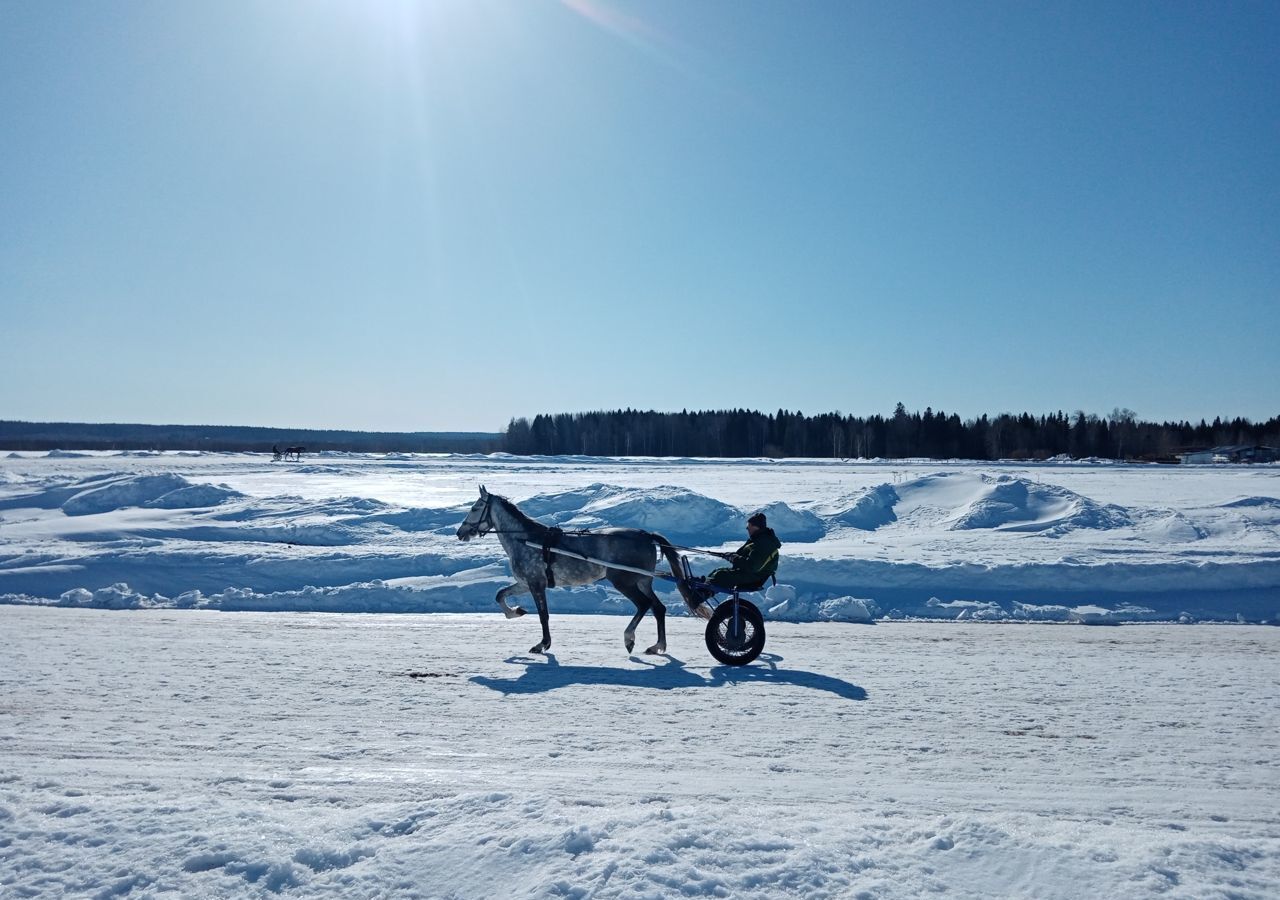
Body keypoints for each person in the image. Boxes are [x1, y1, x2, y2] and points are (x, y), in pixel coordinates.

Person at [694, 512, 781, 600]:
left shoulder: (764, 544)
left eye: (749, 526)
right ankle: (703, 589)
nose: (747, 528)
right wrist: (731, 556)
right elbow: (745, 556)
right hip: (752, 575)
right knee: (718, 571)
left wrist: (735, 558)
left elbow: (752, 566)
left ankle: (699, 595)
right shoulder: (758, 540)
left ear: (755, 527)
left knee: (721, 575)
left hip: (755, 577)